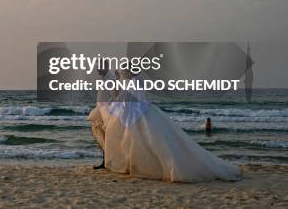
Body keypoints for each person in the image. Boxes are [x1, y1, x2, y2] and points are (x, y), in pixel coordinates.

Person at [101, 71, 241, 182]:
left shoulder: (131, 83)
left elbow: (122, 98)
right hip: (146, 113)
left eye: (124, 71)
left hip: (139, 117)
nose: (124, 73)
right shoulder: (138, 81)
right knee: (154, 143)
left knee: (143, 143)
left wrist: (112, 101)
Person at [87, 60, 117, 170]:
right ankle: (105, 162)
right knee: (103, 137)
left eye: (99, 67)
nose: (97, 69)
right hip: (101, 112)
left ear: (106, 67)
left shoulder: (111, 79)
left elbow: (114, 97)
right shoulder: (104, 79)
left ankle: (108, 162)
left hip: (107, 113)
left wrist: (106, 110)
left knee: (107, 137)